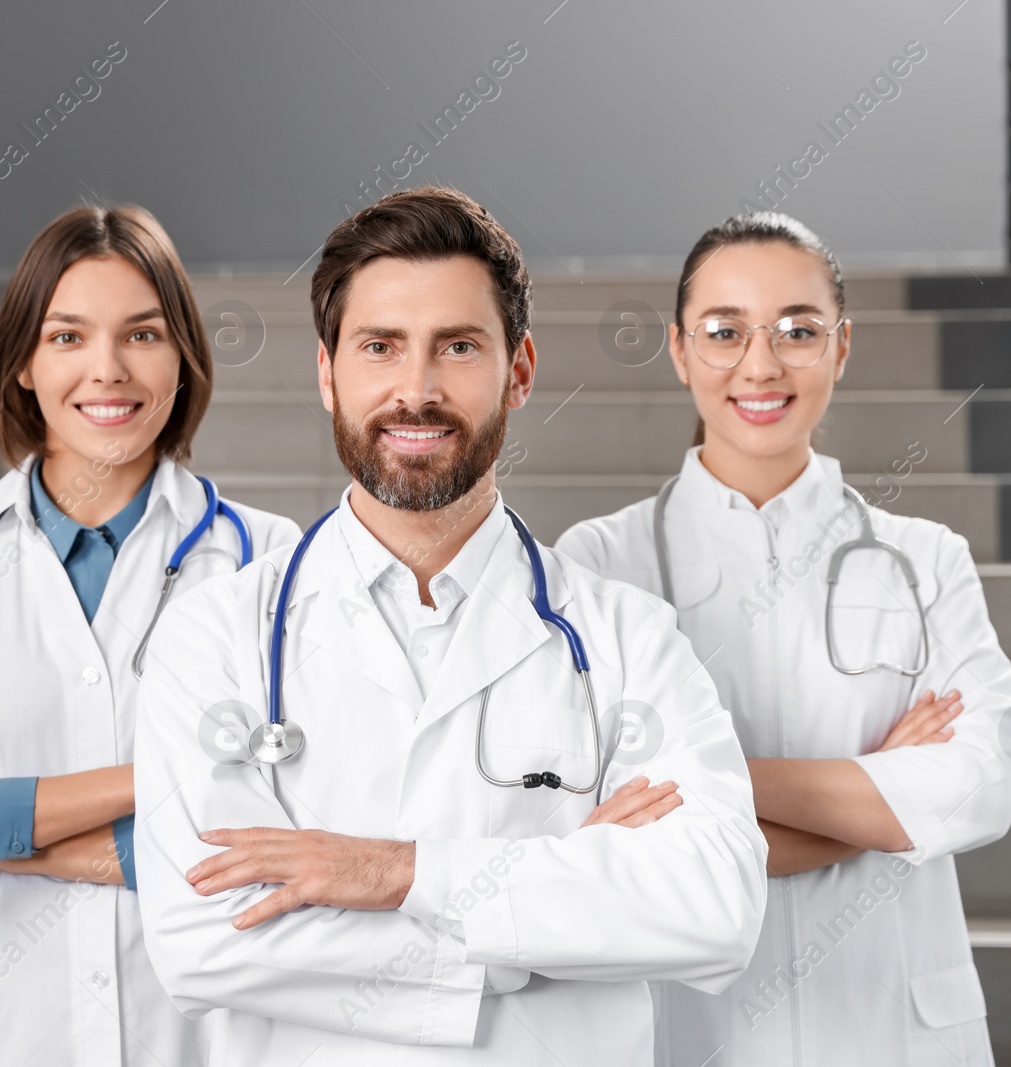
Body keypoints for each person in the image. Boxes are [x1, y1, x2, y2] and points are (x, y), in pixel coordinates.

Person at [129, 187, 769, 1066]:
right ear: (327, 373)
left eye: (458, 347)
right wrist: (537, 925)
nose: (417, 390)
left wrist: (397, 872)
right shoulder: (215, 638)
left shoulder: (629, 638)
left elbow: (716, 904)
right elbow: (206, 937)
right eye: (380, 347)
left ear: (520, 369)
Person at [555, 211, 1011, 1065]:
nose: (760, 365)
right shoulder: (599, 561)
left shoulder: (927, 560)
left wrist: (703, 783)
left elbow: (975, 788)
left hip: (896, 1026)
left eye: (797, 331)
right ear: (679, 349)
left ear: (842, 347)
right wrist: (882, 802)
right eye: (725, 331)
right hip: (701, 1029)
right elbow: (610, 826)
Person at [0, 204, 300, 1066]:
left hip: (197, 1034)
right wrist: (170, 777)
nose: (108, 370)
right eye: (67, 337)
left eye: (143, 333)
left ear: (182, 357)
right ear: (22, 361)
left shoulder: (271, 566)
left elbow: (279, 835)